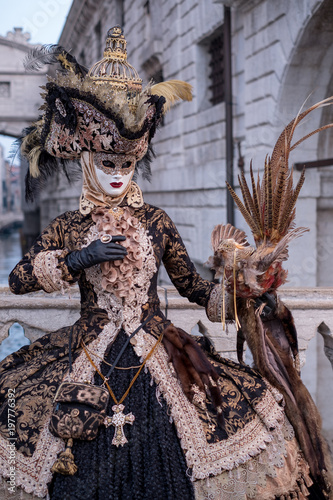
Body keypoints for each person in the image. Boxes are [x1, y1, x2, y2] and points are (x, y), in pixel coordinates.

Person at [0, 26, 331, 500]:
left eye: (125, 166)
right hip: (89, 353)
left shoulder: (156, 221)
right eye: (107, 164)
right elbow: (18, 279)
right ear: (89, 160)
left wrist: (242, 289)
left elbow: (195, 289)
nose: (116, 175)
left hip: (162, 352)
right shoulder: (70, 226)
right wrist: (77, 259)